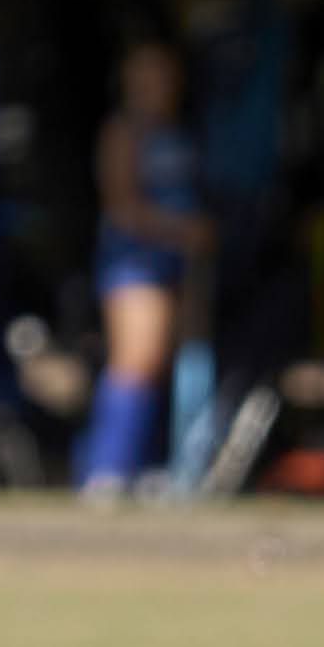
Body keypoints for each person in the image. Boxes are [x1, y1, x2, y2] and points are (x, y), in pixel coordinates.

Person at [76, 38, 211, 503]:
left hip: (178, 262)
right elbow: (123, 206)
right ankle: (105, 469)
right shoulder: (123, 132)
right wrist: (181, 230)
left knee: (169, 364)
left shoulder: (179, 130)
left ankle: (152, 466)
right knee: (136, 358)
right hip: (134, 259)